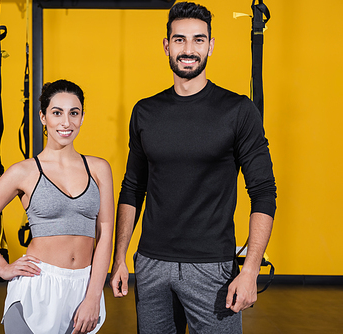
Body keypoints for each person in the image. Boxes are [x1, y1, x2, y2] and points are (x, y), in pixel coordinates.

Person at [109, 2, 277, 333]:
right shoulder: (145, 112)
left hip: (212, 268)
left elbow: (263, 192)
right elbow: (132, 188)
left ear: (211, 46)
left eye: (199, 40)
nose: (189, 49)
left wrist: (251, 269)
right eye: (180, 40)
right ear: (167, 45)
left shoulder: (238, 111)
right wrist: (120, 259)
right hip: (151, 264)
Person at [0, 79, 114, 334]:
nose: (66, 122)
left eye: (74, 113)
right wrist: (2, 268)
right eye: (57, 113)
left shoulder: (99, 169)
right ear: (43, 117)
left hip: (83, 287)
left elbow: (105, 236)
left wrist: (93, 296)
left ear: (82, 118)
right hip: (37, 287)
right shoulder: (23, 172)